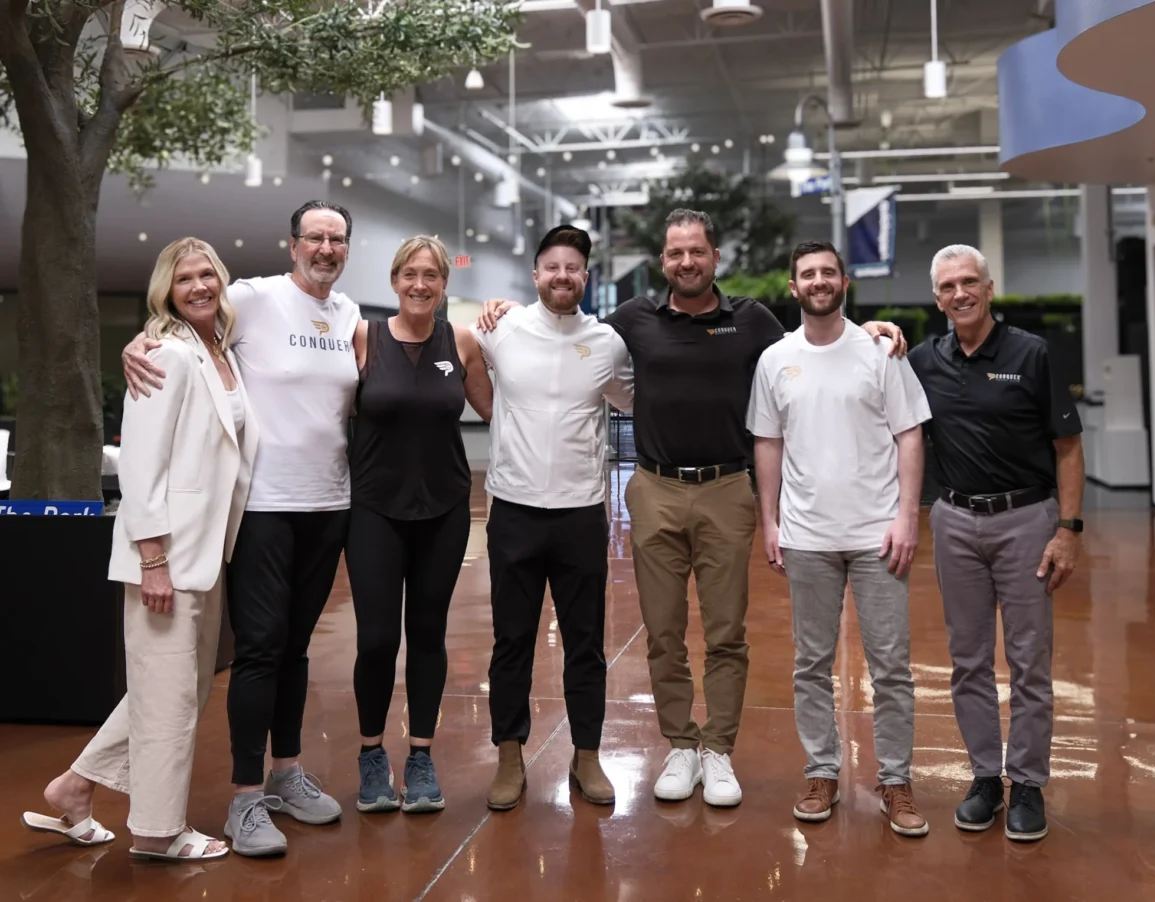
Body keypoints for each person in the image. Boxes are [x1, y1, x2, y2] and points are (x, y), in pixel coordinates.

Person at [477, 209, 905, 809]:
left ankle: (718, 750)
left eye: (696, 252)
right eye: (675, 253)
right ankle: (680, 743)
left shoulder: (752, 321)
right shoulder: (631, 321)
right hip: (652, 490)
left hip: (727, 490)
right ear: (662, 261)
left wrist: (875, 328)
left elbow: (816, 334)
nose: (686, 262)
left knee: (728, 632)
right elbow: (543, 344)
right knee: (664, 632)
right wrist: (500, 307)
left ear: (714, 258)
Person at [121, 201, 360, 856]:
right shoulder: (250, 298)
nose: (325, 247)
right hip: (259, 507)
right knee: (259, 648)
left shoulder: (349, 315)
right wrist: (137, 342)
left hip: (328, 506)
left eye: (337, 239)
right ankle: (246, 798)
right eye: (314, 236)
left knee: (296, 648)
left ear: (346, 249)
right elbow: (179, 329)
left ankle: (287, 773)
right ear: (292, 245)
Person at [21, 238, 258, 861]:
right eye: (185, 279)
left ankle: (73, 788)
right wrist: (153, 560)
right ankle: (156, 832)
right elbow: (141, 469)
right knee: (171, 697)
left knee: (174, 690)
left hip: (205, 557)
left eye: (208, 274)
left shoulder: (219, 351)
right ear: (167, 291)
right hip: (167, 557)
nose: (200, 286)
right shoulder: (166, 356)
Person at [747, 240, 931, 836]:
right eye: (808, 274)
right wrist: (770, 520)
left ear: (844, 281)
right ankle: (822, 770)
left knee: (892, 666)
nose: (819, 281)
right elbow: (768, 443)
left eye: (828, 272)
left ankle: (896, 780)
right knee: (811, 663)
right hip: (807, 536)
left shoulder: (881, 351)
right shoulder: (776, 359)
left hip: (879, 537)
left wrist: (907, 518)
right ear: (794, 287)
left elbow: (909, 436)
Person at [908, 244, 1084, 843]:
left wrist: (1069, 528)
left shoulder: (1030, 354)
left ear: (988, 288)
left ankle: (1028, 783)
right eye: (947, 287)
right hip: (955, 521)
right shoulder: (926, 360)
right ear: (937, 299)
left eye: (969, 283)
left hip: (1027, 520)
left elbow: (1068, 446)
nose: (959, 294)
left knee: (1030, 660)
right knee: (968, 661)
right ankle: (986, 777)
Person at [475, 225, 633, 811]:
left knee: (586, 643)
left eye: (574, 268)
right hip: (513, 511)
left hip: (581, 515)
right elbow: (465, 360)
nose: (563, 276)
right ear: (536, 274)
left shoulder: (607, 343)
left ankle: (586, 755)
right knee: (511, 641)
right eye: (552, 267)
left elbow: (632, 398)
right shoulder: (501, 330)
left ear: (584, 278)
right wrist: (493, 416)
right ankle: (510, 755)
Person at [347, 236, 493, 815]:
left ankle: (422, 756)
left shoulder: (461, 340)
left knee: (428, 635)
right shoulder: (363, 338)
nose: (420, 284)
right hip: (374, 509)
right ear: (394, 280)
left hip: (444, 509)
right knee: (378, 638)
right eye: (410, 273)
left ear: (443, 284)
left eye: (431, 275)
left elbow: (498, 409)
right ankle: (370, 754)